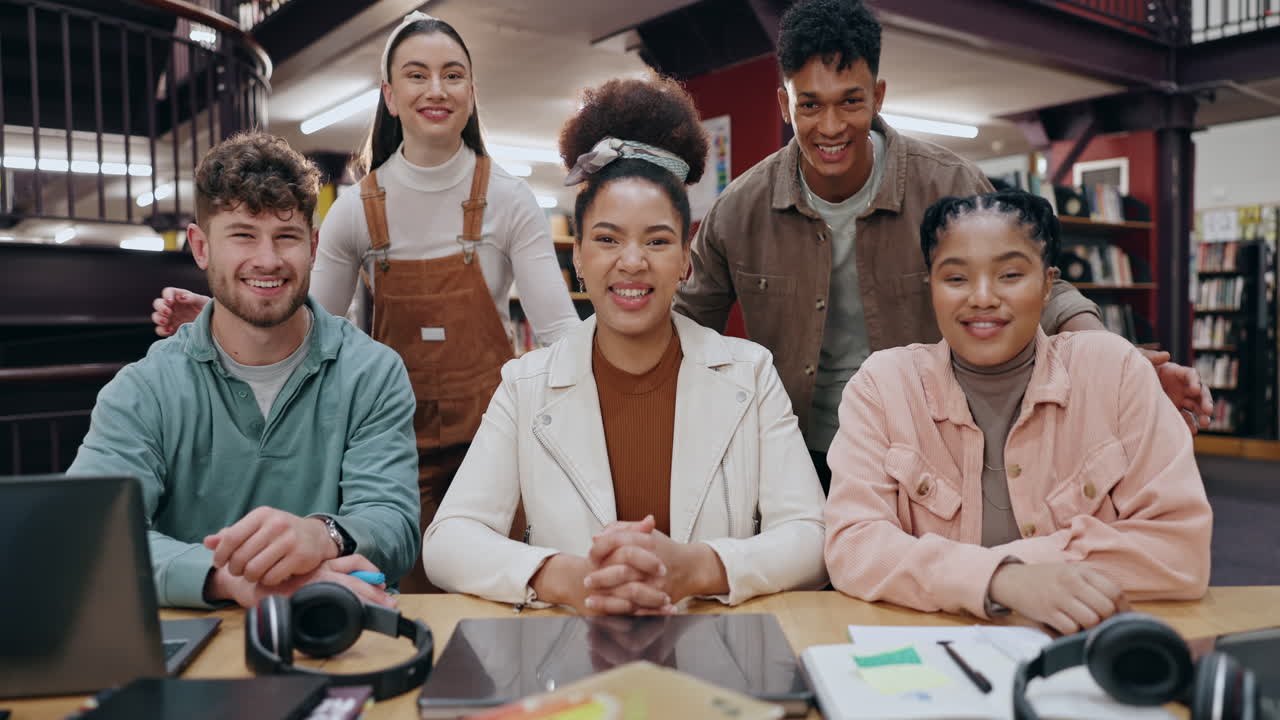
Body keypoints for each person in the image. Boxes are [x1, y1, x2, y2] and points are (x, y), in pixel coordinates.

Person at [672, 0, 1213, 491]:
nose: (830, 126)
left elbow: (1036, 289)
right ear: (784, 105)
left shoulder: (949, 185)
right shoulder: (738, 210)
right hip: (796, 457)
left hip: (933, 450)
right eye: (810, 105)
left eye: (850, 102)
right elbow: (685, 330)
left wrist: (1116, 364)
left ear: (878, 96)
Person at [149, 13, 580, 591]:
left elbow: (559, 335)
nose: (436, 89)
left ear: (472, 94)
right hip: (388, 448)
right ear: (390, 95)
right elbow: (306, 326)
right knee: (411, 595)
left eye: (453, 75)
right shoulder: (356, 207)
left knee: (500, 594)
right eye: (416, 75)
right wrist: (219, 314)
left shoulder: (510, 198)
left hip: (496, 446)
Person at [421, 77, 827, 613]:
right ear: (580, 261)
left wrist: (698, 568)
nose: (631, 262)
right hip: (574, 664)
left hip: (715, 660)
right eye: (607, 239)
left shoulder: (749, 372)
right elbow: (448, 541)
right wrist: (563, 577)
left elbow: (812, 536)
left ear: (686, 259)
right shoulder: (525, 385)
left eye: (657, 241)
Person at [824, 190, 1212, 634]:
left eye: (1009, 274)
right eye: (956, 279)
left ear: (1048, 285)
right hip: (934, 651)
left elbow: (1179, 551)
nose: (983, 297)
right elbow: (853, 545)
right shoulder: (883, 385)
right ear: (930, 285)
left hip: (1082, 646)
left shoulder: (1115, 369)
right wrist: (1002, 579)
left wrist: (977, 573)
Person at [67, 132, 420, 609]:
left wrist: (323, 535)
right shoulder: (142, 391)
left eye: (286, 236)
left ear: (313, 246)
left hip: (345, 630)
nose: (268, 259)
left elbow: (393, 521)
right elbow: (88, 535)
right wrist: (226, 577)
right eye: (242, 235)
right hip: (196, 642)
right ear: (200, 247)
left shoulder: (373, 373)